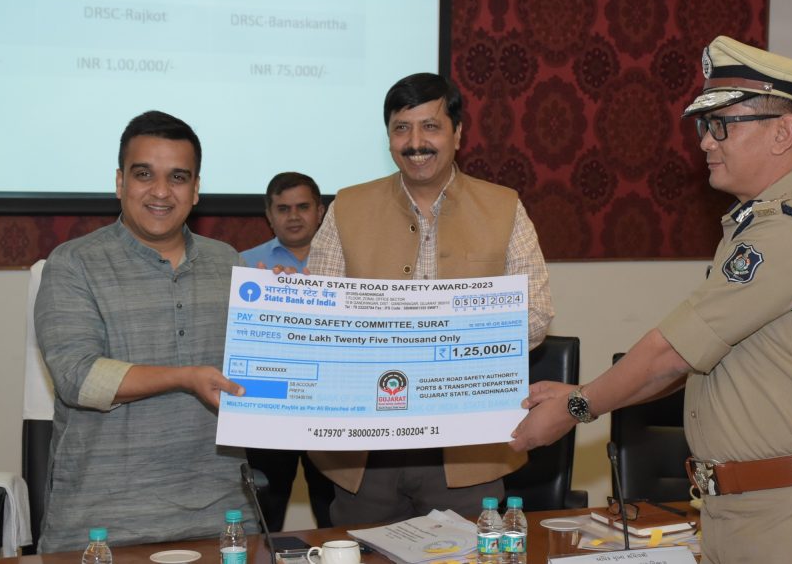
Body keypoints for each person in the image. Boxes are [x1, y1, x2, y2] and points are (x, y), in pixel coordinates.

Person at [510, 37, 792, 563]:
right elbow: (697, 358)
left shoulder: (787, 229)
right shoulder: (761, 221)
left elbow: (669, 353)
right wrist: (582, 391)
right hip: (758, 508)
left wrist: (577, 408)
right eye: (704, 126)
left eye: (722, 125)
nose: (707, 142)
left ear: (782, 132)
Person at [306, 72, 554, 526]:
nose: (415, 142)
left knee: (465, 555)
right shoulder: (347, 206)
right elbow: (320, 315)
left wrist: (440, 345)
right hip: (366, 446)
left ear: (457, 134)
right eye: (402, 128)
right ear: (388, 138)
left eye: (430, 127)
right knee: (363, 553)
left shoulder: (504, 207)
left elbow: (535, 315)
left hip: (468, 446)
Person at [35, 111, 252, 552]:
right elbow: (78, 378)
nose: (161, 191)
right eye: (144, 174)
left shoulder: (229, 263)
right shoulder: (73, 264)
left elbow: (259, 373)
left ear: (196, 189)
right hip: (100, 528)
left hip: (222, 520)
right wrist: (185, 377)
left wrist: (292, 310)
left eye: (177, 177)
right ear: (120, 182)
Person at [241, 172, 335, 529]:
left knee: (332, 511)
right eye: (283, 209)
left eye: (302, 207)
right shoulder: (244, 265)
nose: (293, 216)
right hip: (270, 407)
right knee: (265, 514)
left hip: (329, 407)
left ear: (320, 211)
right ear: (269, 215)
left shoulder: (346, 263)